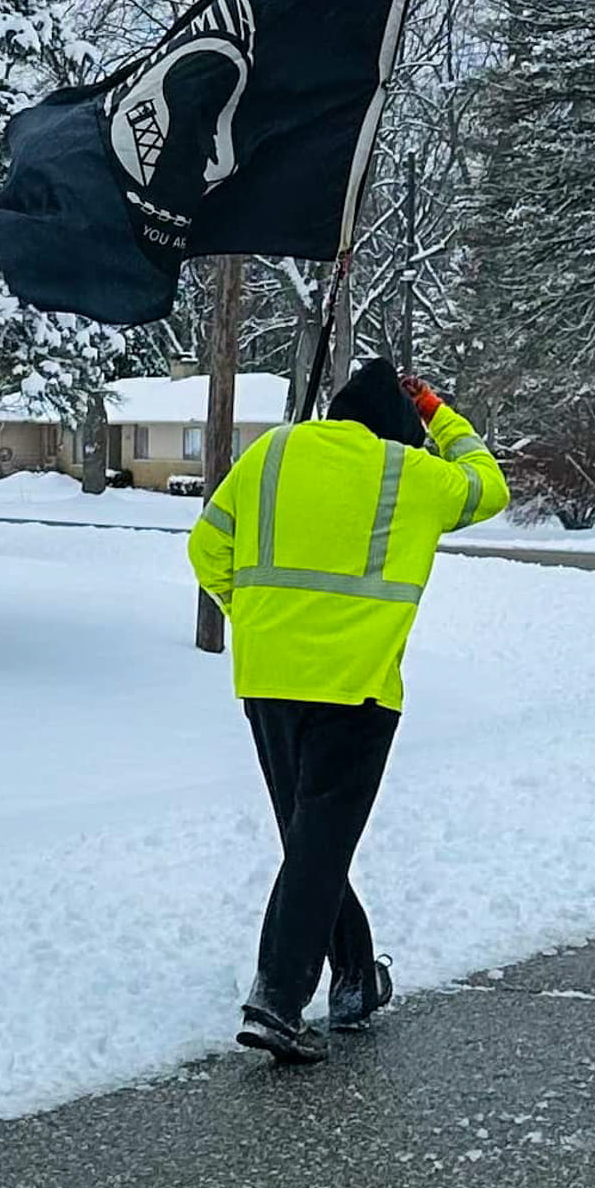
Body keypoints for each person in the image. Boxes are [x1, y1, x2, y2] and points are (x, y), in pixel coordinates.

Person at [187, 357, 510, 1064]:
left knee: (310, 841)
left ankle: (356, 979)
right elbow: (490, 485)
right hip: (356, 688)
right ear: (399, 428)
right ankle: (276, 998)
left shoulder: (272, 450)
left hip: (267, 678)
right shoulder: (412, 474)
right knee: (320, 844)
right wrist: (434, 409)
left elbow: (205, 545)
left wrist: (254, 615)